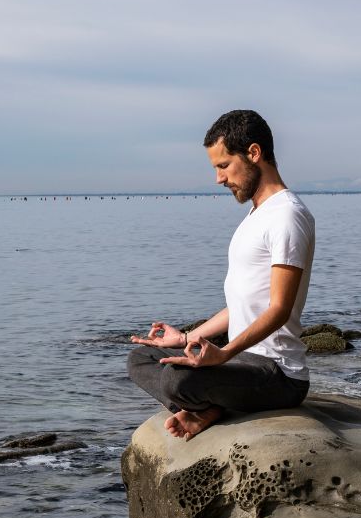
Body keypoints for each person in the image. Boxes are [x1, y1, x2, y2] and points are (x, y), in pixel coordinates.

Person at [128, 109, 315, 440]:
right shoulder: (257, 215)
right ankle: (207, 404)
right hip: (243, 364)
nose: (218, 178)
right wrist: (188, 338)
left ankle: (206, 405)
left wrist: (224, 353)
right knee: (142, 358)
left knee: (177, 380)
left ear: (254, 153)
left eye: (224, 165)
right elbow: (244, 303)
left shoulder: (287, 216)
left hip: (278, 375)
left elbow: (279, 309)